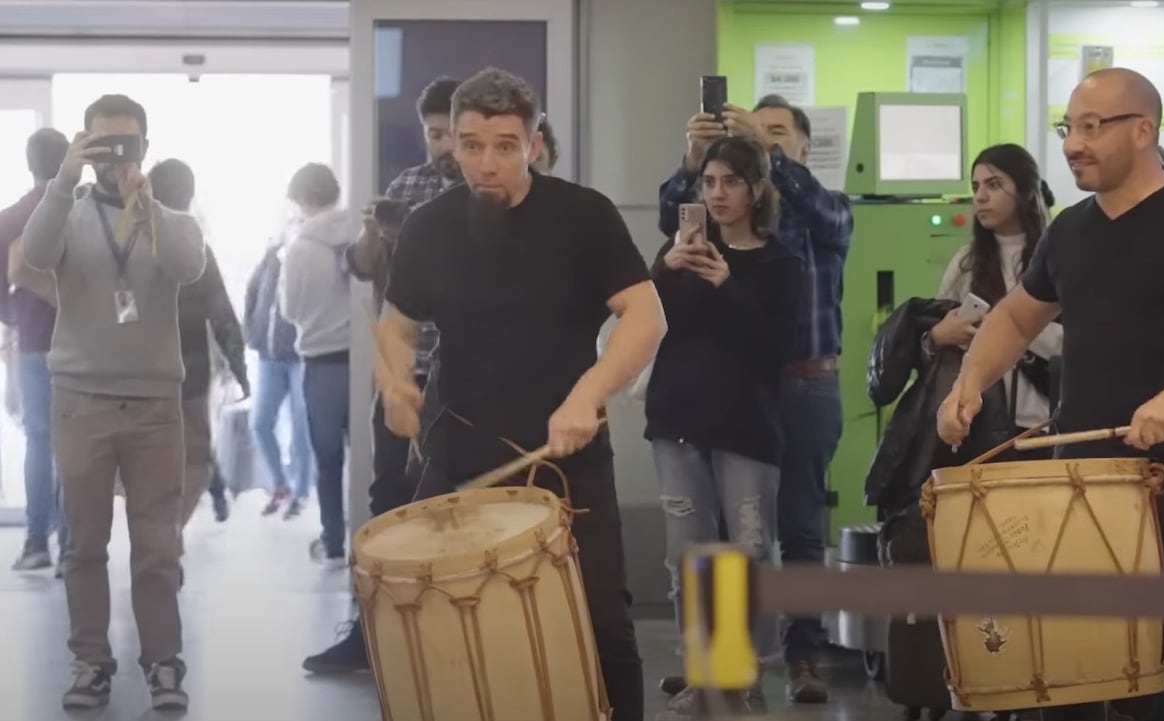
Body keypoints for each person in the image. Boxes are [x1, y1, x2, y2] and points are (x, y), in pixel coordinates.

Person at [936, 68, 1164, 721]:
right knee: (1080, 652)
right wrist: (967, 383)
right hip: (1083, 473)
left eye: (1092, 127)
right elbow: (1015, 318)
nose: (1072, 143)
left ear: (1143, 130)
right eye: (1068, 128)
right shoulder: (1070, 230)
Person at [375, 67, 666, 721]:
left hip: (567, 457)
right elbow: (397, 324)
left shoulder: (583, 216)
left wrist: (587, 394)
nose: (486, 162)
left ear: (532, 144)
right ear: (451, 142)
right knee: (423, 609)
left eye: (504, 145)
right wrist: (395, 382)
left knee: (602, 620)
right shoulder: (428, 225)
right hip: (458, 449)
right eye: (471, 143)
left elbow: (646, 316)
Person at [658, 92, 852, 703]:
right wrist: (693, 161)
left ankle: (803, 656)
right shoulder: (726, 212)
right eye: (753, 133)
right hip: (738, 385)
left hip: (806, 378)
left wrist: (768, 158)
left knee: (795, 526)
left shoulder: (818, 207)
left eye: (776, 133)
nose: (723, 190)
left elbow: (829, 221)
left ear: (800, 145)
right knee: (717, 526)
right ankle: (716, 656)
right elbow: (673, 221)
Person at [24, 93, 206, 710]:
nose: (115, 158)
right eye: (103, 145)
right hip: (81, 399)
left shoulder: (168, 217)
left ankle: (163, 662)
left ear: (145, 150)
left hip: (155, 405)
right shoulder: (68, 211)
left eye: (126, 146)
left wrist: (147, 204)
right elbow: (38, 254)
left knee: (157, 547)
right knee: (84, 543)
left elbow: (186, 266)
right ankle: (89, 662)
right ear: (85, 144)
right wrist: (62, 180)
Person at [303, 75, 461, 674]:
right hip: (403, 372)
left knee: (449, 506)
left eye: (450, 133)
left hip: (466, 379)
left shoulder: (483, 191)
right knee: (386, 499)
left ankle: (442, 631)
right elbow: (365, 269)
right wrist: (376, 229)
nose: (442, 146)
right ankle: (369, 627)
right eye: (433, 134)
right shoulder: (407, 185)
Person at [645, 136, 802, 715]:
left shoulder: (781, 263)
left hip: (746, 426)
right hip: (677, 420)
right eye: (707, 183)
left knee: (750, 550)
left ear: (756, 188)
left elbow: (774, 350)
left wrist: (727, 286)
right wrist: (666, 270)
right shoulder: (678, 253)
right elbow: (645, 324)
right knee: (688, 556)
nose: (716, 194)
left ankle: (748, 671)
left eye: (730, 182)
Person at [147, 159, 249, 534]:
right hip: (188, 374)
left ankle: (160, 535)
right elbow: (221, 313)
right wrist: (240, 370)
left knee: (149, 464)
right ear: (189, 196)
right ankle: (170, 533)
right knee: (195, 462)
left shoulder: (129, 244)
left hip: (139, 375)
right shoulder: (193, 246)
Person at [932, 143, 1061, 436]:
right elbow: (938, 328)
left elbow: (1079, 342)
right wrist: (942, 334)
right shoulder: (966, 262)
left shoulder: (1058, 256)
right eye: (975, 186)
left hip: (1044, 425)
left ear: (1024, 189)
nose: (980, 196)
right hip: (982, 428)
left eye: (994, 184)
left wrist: (1007, 327)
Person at [277, 162, 353, 568]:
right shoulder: (360, 233)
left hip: (321, 363)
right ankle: (371, 536)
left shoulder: (301, 248)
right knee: (371, 457)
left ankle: (334, 542)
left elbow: (289, 310)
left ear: (303, 200)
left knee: (328, 460)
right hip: (363, 362)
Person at [0, 128, 69, 574]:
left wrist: (15, 318)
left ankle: (36, 543)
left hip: (32, 344)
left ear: (29, 164)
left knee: (39, 441)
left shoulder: (10, 217)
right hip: (81, 345)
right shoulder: (80, 213)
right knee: (76, 447)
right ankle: (74, 550)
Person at [245, 227, 313, 520]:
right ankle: (281, 485)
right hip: (269, 356)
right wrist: (252, 333)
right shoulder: (271, 257)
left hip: (300, 357)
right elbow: (252, 294)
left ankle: (300, 493)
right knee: (260, 423)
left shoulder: (310, 254)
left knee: (302, 430)